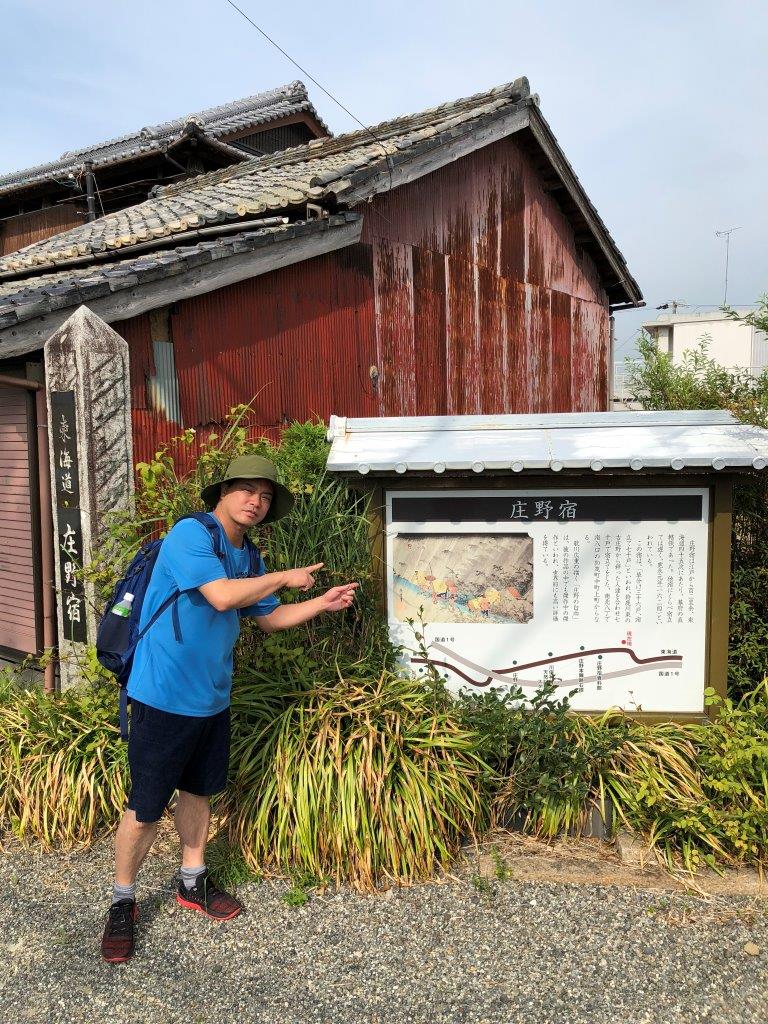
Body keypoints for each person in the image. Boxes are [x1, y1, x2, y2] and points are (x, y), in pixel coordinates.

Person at [101, 454, 358, 963]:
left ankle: (192, 880)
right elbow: (220, 597)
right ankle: (122, 901)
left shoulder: (250, 556)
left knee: (199, 791)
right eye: (246, 490)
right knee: (146, 803)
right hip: (162, 694)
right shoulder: (190, 536)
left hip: (212, 697)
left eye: (264, 496)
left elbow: (271, 618)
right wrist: (284, 576)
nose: (255, 502)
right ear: (222, 493)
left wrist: (320, 604)